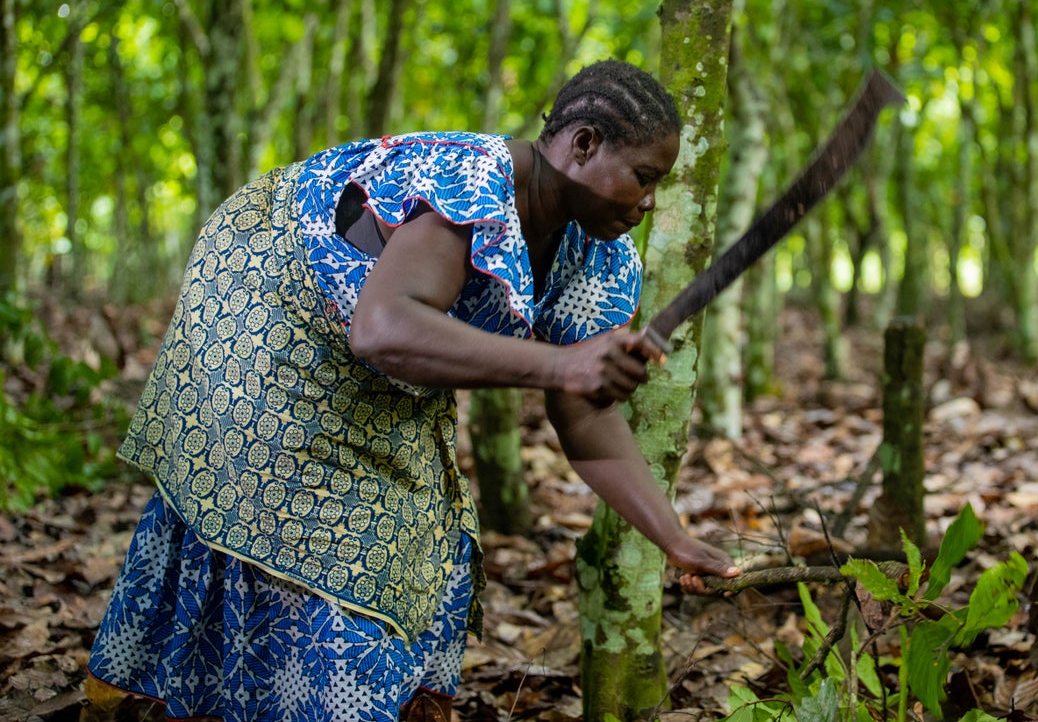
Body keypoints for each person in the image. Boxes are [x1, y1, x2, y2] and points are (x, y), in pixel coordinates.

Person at [86, 59, 740, 722]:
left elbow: (586, 420)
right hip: (267, 292)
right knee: (303, 523)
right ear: (584, 145)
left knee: (411, 528)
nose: (649, 201)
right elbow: (383, 328)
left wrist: (673, 538)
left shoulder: (595, 255)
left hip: (369, 357)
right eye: (644, 177)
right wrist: (560, 365)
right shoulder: (472, 182)